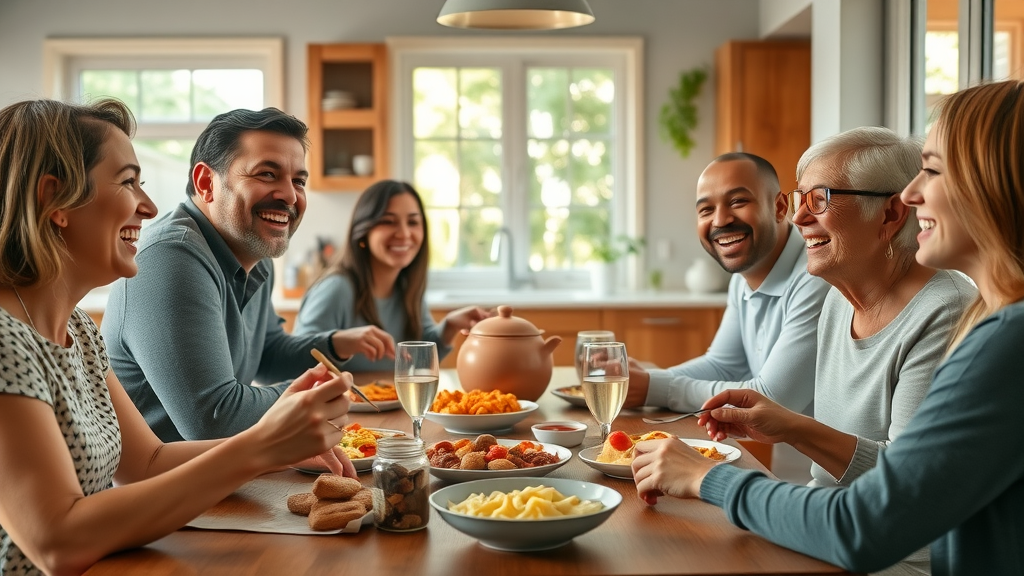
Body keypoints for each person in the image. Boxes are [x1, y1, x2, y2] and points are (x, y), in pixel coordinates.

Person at [631, 80, 1024, 575]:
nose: (913, 191)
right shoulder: (845, 299)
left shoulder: (992, 332)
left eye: (933, 171)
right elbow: (900, 490)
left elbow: (874, 522)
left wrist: (709, 479)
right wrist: (792, 427)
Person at [0, 98, 356, 576]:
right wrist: (260, 447)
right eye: (127, 182)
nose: (148, 207)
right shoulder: (6, 343)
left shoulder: (77, 331)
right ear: (55, 201)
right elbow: (56, 542)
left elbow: (147, 460)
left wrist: (279, 447)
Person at [102, 108, 381, 442]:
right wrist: (315, 395)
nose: (290, 195)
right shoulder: (171, 257)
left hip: (218, 477)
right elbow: (215, 418)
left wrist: (335, 343)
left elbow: (266, 353)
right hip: (165, 488)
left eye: (299, 181)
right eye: (266, 174)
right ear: (207, 183)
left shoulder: (254, 254)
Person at [624, 152, 830, 414]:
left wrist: (655, 387)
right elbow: (723, 365)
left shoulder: (816, 276)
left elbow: (772, 400)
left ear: (779, 207)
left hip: (817, 457)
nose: (720, 220)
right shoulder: (742, 277)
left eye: (738, 201)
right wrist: (644, 381)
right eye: (706, 209)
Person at [292, 180, 488, 372]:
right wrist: (341, 345)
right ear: (363, 232)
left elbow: (418, 357)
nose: (404, 233)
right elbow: (295, 363)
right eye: (388, 221)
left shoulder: (406, 287)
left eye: (413, 222)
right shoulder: (336, 289)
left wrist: (449, 326)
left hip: (389, 404)